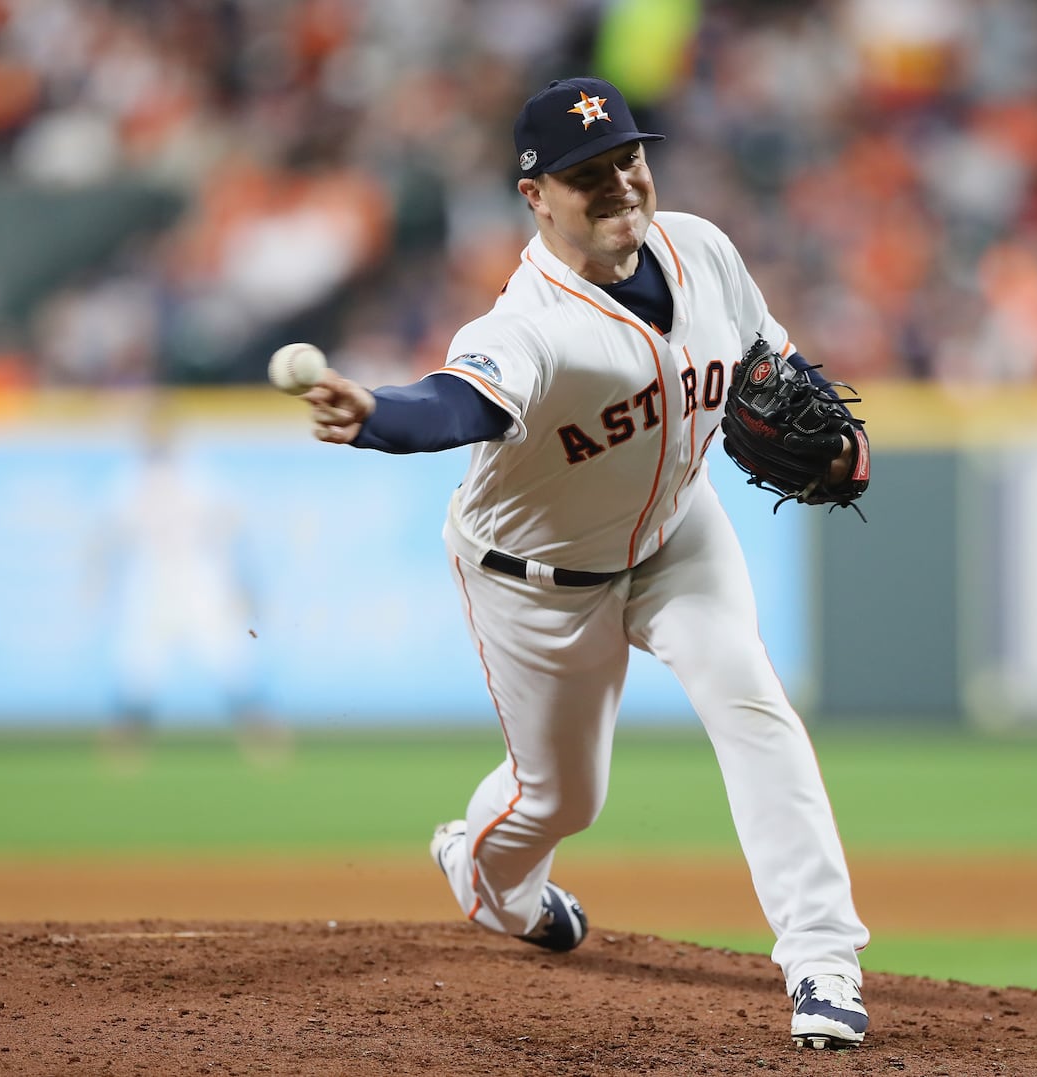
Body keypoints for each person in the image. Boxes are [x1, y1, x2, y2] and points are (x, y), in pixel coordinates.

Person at [294, 76, 871, 1049]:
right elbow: (455, 403)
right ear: (535, 196)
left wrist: (817, 421)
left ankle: (823, 962)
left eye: (627, 161)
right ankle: (489, 881)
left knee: (752, 701)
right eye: (585, 175)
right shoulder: (529, 325)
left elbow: (771, 362)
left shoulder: (706, 251)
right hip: (537, 577)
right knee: (563, 797)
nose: (618, 186)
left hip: (679, 537)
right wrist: (378, 418)